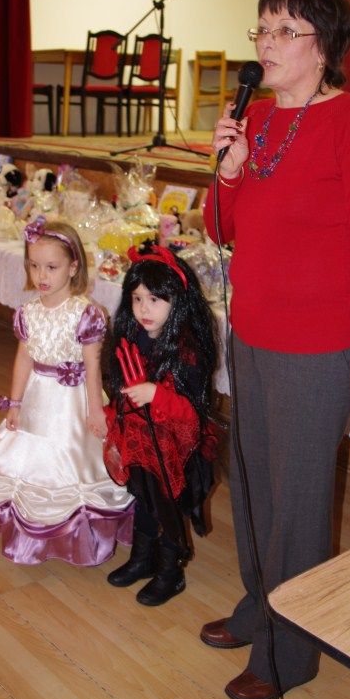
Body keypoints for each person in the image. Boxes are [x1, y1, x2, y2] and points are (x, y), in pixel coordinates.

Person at [200, 0, 350, 699]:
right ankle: (259, 608)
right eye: (262, 28)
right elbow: (221, 230)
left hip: (316, 351)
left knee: (298, 505)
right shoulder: (252, 119)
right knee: (252, 484)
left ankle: (291, 652)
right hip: (251, 335)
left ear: (324, 46)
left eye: (285, 30)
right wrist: (228, 169)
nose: (267, 43)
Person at [0, 216, 134, 565]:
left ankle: (77, 537)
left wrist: (95, 410)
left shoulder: (86, 314)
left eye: (52, 267)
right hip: (37, 400)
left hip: (73, 403)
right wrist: (15, 402)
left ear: (73, 267)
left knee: (72, 465)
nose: (42, 275)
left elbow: (93, 366)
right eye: (34, 265)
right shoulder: (28, 312)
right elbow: (24, 358)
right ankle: (28, 534)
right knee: (28, 462)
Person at [103, 243, 218, 606]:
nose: (144, 309)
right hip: (140, 442)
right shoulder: (132, 338)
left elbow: (192, 415)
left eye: (154, 300)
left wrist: (156, 393)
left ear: (176, 301)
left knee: (168, 508)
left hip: (175, 452)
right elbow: (120, 388)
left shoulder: (187, 351)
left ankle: (171, 571)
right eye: (137, 299)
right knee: (142, 498)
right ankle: (142, 558)